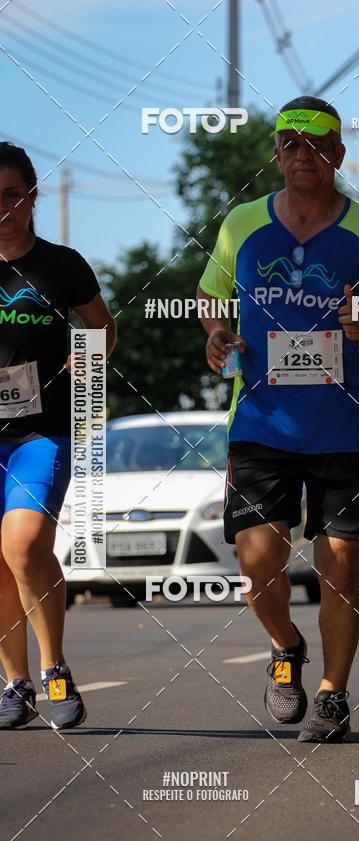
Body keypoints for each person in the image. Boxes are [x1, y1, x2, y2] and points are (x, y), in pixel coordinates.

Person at [197, 97, 359, 742]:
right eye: (289, 144)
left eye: (316, 143)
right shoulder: (241, 224)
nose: (302, 155)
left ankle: (332, 693)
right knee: (257, 560)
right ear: (277, 155)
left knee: (342, 562)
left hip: (343, 425)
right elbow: (211, 294)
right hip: (261, 422)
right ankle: (284, 645)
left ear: (337, 152)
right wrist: (217, 334)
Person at [0, 143, 117, 729]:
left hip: (39, 431)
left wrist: (86, 360)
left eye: (11, 195)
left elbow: (102, 328)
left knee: (23, 547)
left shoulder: (61, 265)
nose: (1, 208)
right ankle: (14, 683)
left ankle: (54, 668)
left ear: (31, 197)